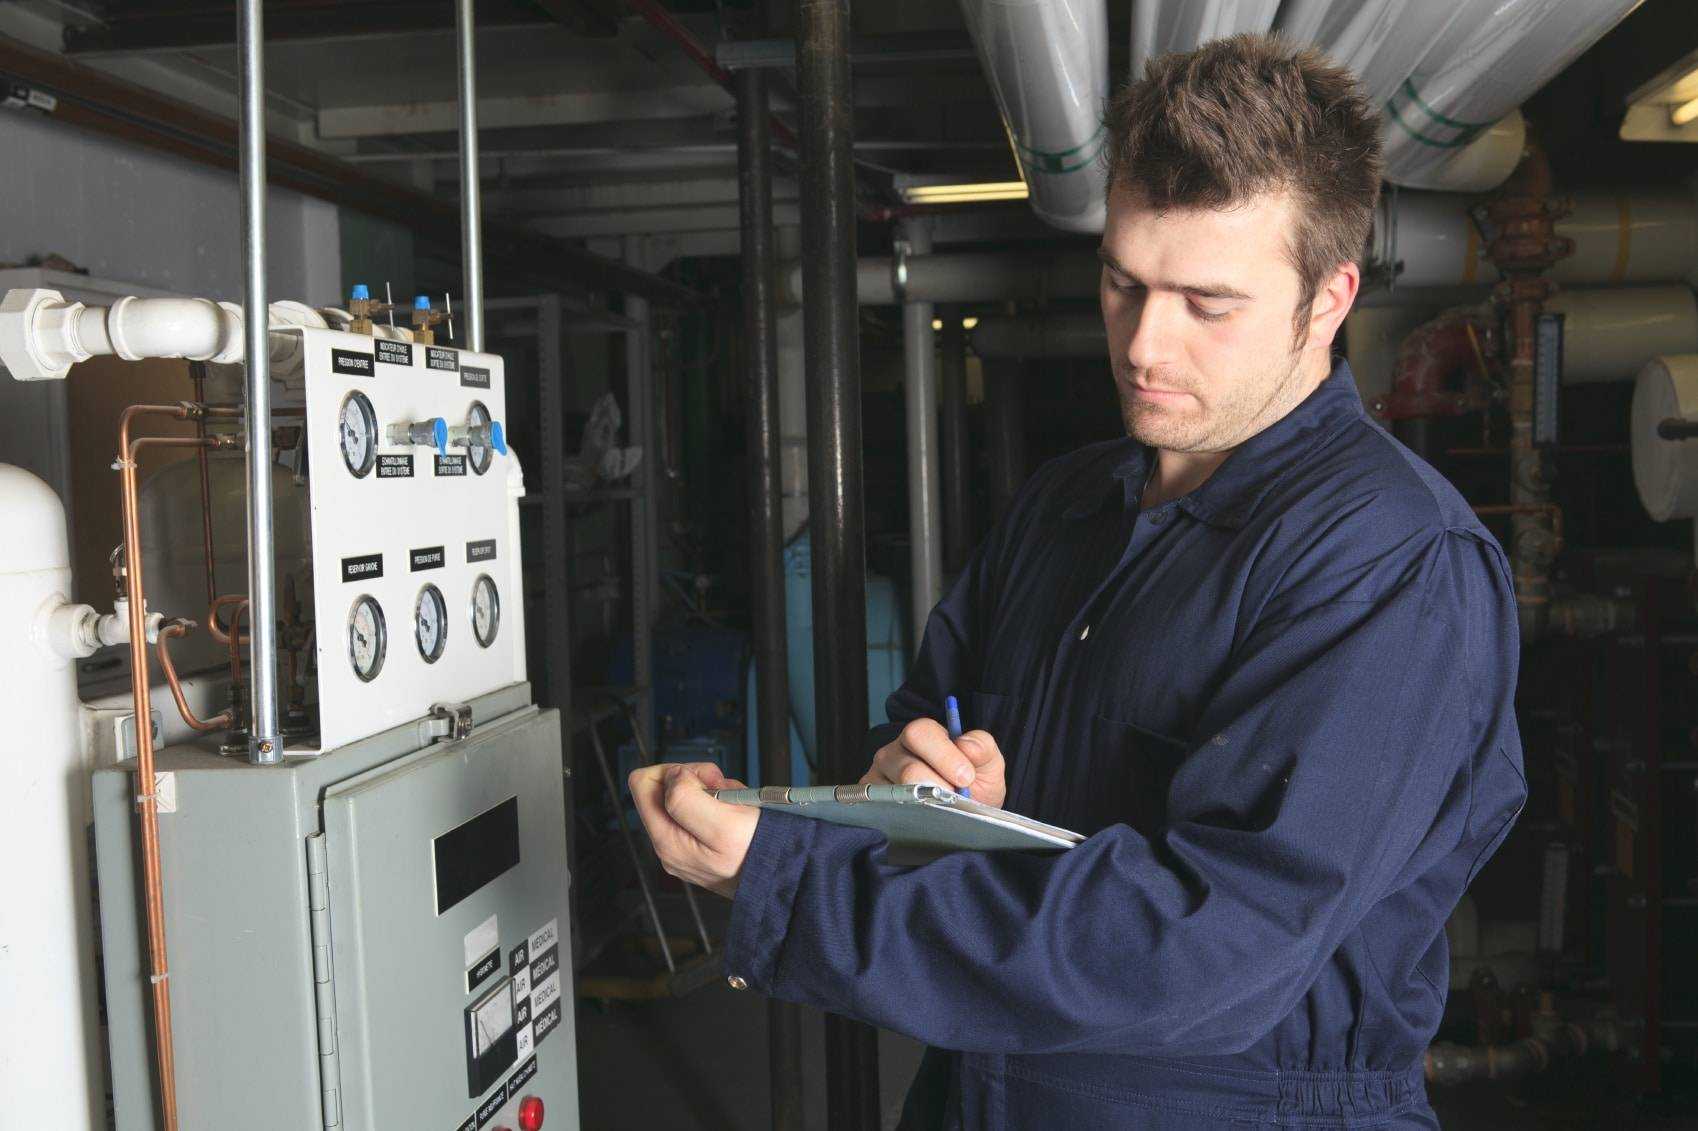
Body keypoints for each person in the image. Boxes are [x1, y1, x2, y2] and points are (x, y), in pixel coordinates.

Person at [630, 33, 1526, 1129]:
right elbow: (922, 731)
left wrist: (793, 882)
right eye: (1122, 283)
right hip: (988, 1085)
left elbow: (1207, 949)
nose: (1145, 345)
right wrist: (914, 783)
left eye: (1207, 303)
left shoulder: (1390, 564)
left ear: (1328, 299)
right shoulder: (1065, 506)